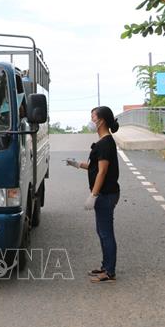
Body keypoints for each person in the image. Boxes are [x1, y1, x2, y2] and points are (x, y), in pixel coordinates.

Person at [66, 106, 121, 283]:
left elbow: (102, 172)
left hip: (105, 194)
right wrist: (76, 164)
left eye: (93, 117)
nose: (91, 121)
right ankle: (105, 266)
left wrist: (94, 195)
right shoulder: (103, 142)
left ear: (101, 120)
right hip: (105, 194)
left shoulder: (105, 143)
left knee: (105, 233)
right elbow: (95, 166)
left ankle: (109, 271)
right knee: (102, 231)